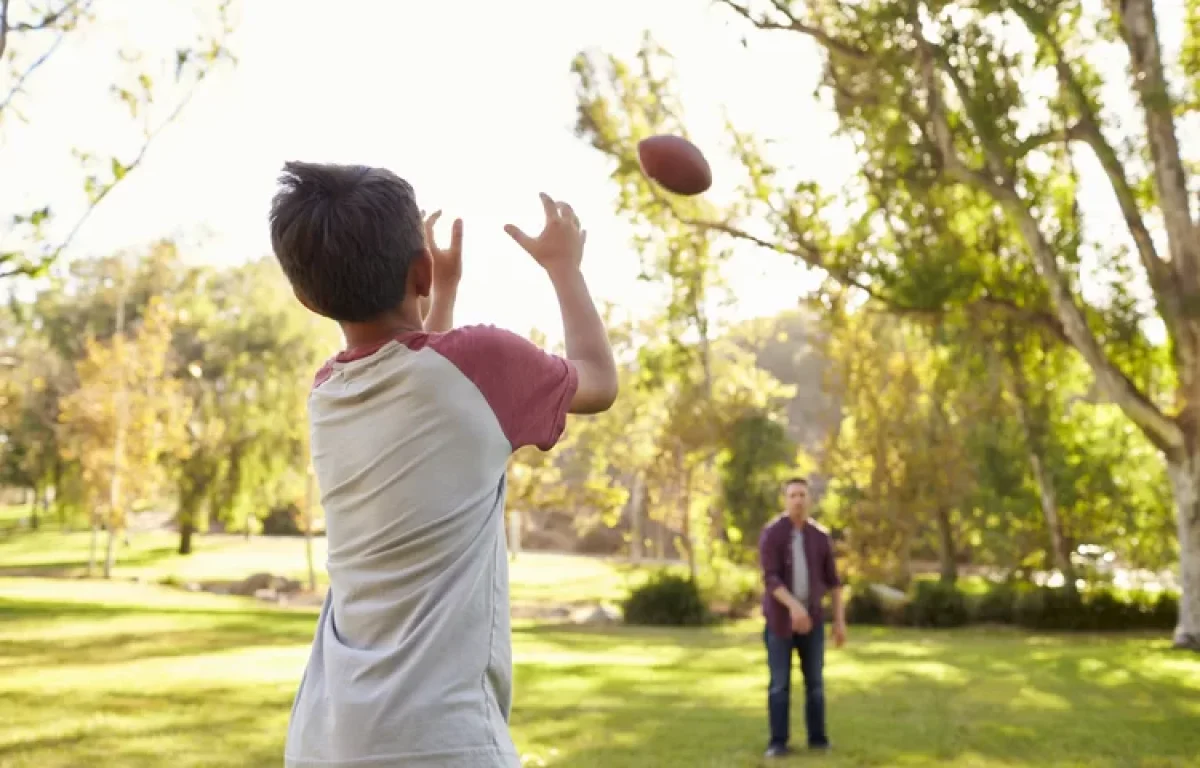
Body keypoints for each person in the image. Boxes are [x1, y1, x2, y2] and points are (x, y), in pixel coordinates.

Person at [269, 162, 618, 768]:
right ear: (419, 270)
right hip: (441, 740)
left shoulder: (327, 393)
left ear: (306, 298)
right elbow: (599, 382)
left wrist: (441, 292)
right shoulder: (481, 360)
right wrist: (564, 268)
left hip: (325, 739)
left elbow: (426, 382)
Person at [758, 477, 846, 758]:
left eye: (802, 495)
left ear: (809, 500)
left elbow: (834, 582)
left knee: (816, 684)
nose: (797, 500)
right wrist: (795, 607)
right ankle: (778, 743)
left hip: (814, 623)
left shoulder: (819, 536)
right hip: (780, 623)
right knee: (780, 685)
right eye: (793, 495)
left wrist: (840, 621)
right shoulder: (772, 534)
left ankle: (818, 739)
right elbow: (770, 578)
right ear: (785, 500)